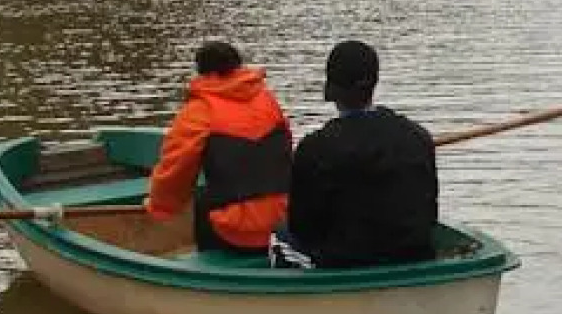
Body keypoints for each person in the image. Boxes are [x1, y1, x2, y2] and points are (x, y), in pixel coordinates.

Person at [268, 40, 438, 270]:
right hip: (413, 253)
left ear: (332, 89)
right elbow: (430, 211)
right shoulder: (419, 136)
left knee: (279, 233)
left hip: (344, 261)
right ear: (374, 83)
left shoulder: (314, 148)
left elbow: (302, 227)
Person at [145, 41, 292, 255]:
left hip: (231, 229)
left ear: (202, 71)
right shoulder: (268, 101)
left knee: (203, 200)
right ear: (238, 66)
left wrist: (159, 207)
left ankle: (207, 263)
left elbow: (175, 169)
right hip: (284, 218)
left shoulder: (200, 110)